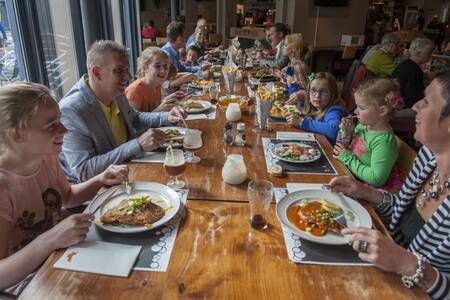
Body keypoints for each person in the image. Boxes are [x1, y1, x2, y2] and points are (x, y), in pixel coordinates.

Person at [328, 71, 450, 300]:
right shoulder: (428, 157)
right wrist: (366, 192)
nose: (415, 106)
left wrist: (407, 264)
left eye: (426, 101)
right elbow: (401, 210)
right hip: (382, 271)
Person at [0, 82, 128, 296]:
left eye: (60, 120)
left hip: (64, 255)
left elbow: (67, 197)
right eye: (52, 126)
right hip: (29, 283)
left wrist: (100, 179)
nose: (65, 130)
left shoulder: (47, 157)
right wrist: (50, 239)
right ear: (17, 136)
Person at [59, 40, 185, 183]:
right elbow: (84, 171)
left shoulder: (115, 93)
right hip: (101, 190)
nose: (128, 77)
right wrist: (136, 145)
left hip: (131, 168)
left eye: (127, 69)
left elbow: (134, 118)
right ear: (97, 72)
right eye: (119, 70)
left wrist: (167, 117)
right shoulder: (71, 110)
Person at [333, 78, 404, 189]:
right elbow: (351, 148)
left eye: (361, 108)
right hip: (349, 174)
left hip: (365, 190)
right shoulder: (364, 126)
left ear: (382, 111)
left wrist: (347, 158)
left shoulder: (384, 142)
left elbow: (376, 179)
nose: (355, 111)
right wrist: (348, 131)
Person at [286, 72, 347, 144]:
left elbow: (333, 130)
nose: (317, 95)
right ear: (308, 93)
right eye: (313, 90)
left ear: (332, 94)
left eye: (323, 91)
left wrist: (301, 122)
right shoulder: (317, 109)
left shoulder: (335, 110)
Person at [125, 47, 186, 112]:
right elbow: (133, 121)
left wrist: (169, 100)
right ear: (145, 68)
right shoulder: (134, 91)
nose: (163, 71)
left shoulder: (157, 85)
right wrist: (159, 109)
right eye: (157, 66)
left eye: (166, 66)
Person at [393, 38, 434, 109]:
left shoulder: (404, 64)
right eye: (428, 53)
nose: (431, 56)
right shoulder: (415, 70)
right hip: (405, 109)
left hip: (397, 105)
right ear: (418, 53)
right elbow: (413, 98)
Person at [275, 33, 310, 106]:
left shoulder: (300, 67)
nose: (282, 48)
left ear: (293, 49)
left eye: (285, 45)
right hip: (291, 105)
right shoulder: (290, 65)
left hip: (301, 109)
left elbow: (310, 90)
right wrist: (282, 78)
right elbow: (292, 86)